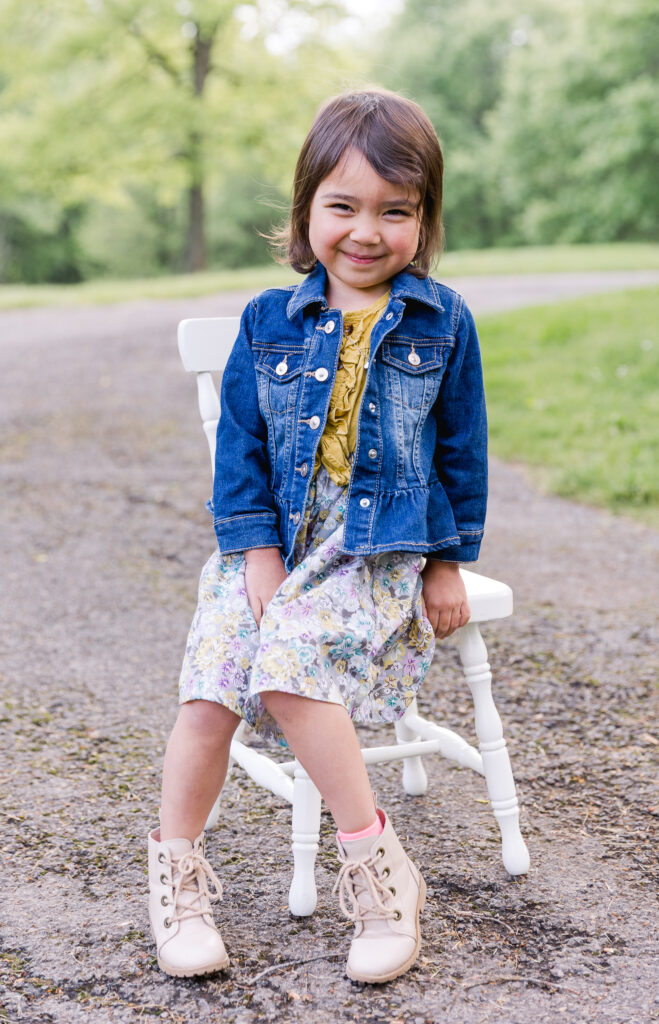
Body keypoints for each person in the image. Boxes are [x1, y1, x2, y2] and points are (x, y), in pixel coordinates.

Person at [148, 87, 487, 985]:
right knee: (211, 682)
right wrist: (255, 553)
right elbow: (240, 457)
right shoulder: (267, 322)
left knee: (293, 662)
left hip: (373, 546)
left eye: (394, 211)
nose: (366, 231)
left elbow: (460, 450)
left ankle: (379, 870)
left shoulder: (443, 323)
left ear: (423, 219)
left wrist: (451, 562)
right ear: (306, 212)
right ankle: (175, 872)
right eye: (342, 206)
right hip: (270, 541)